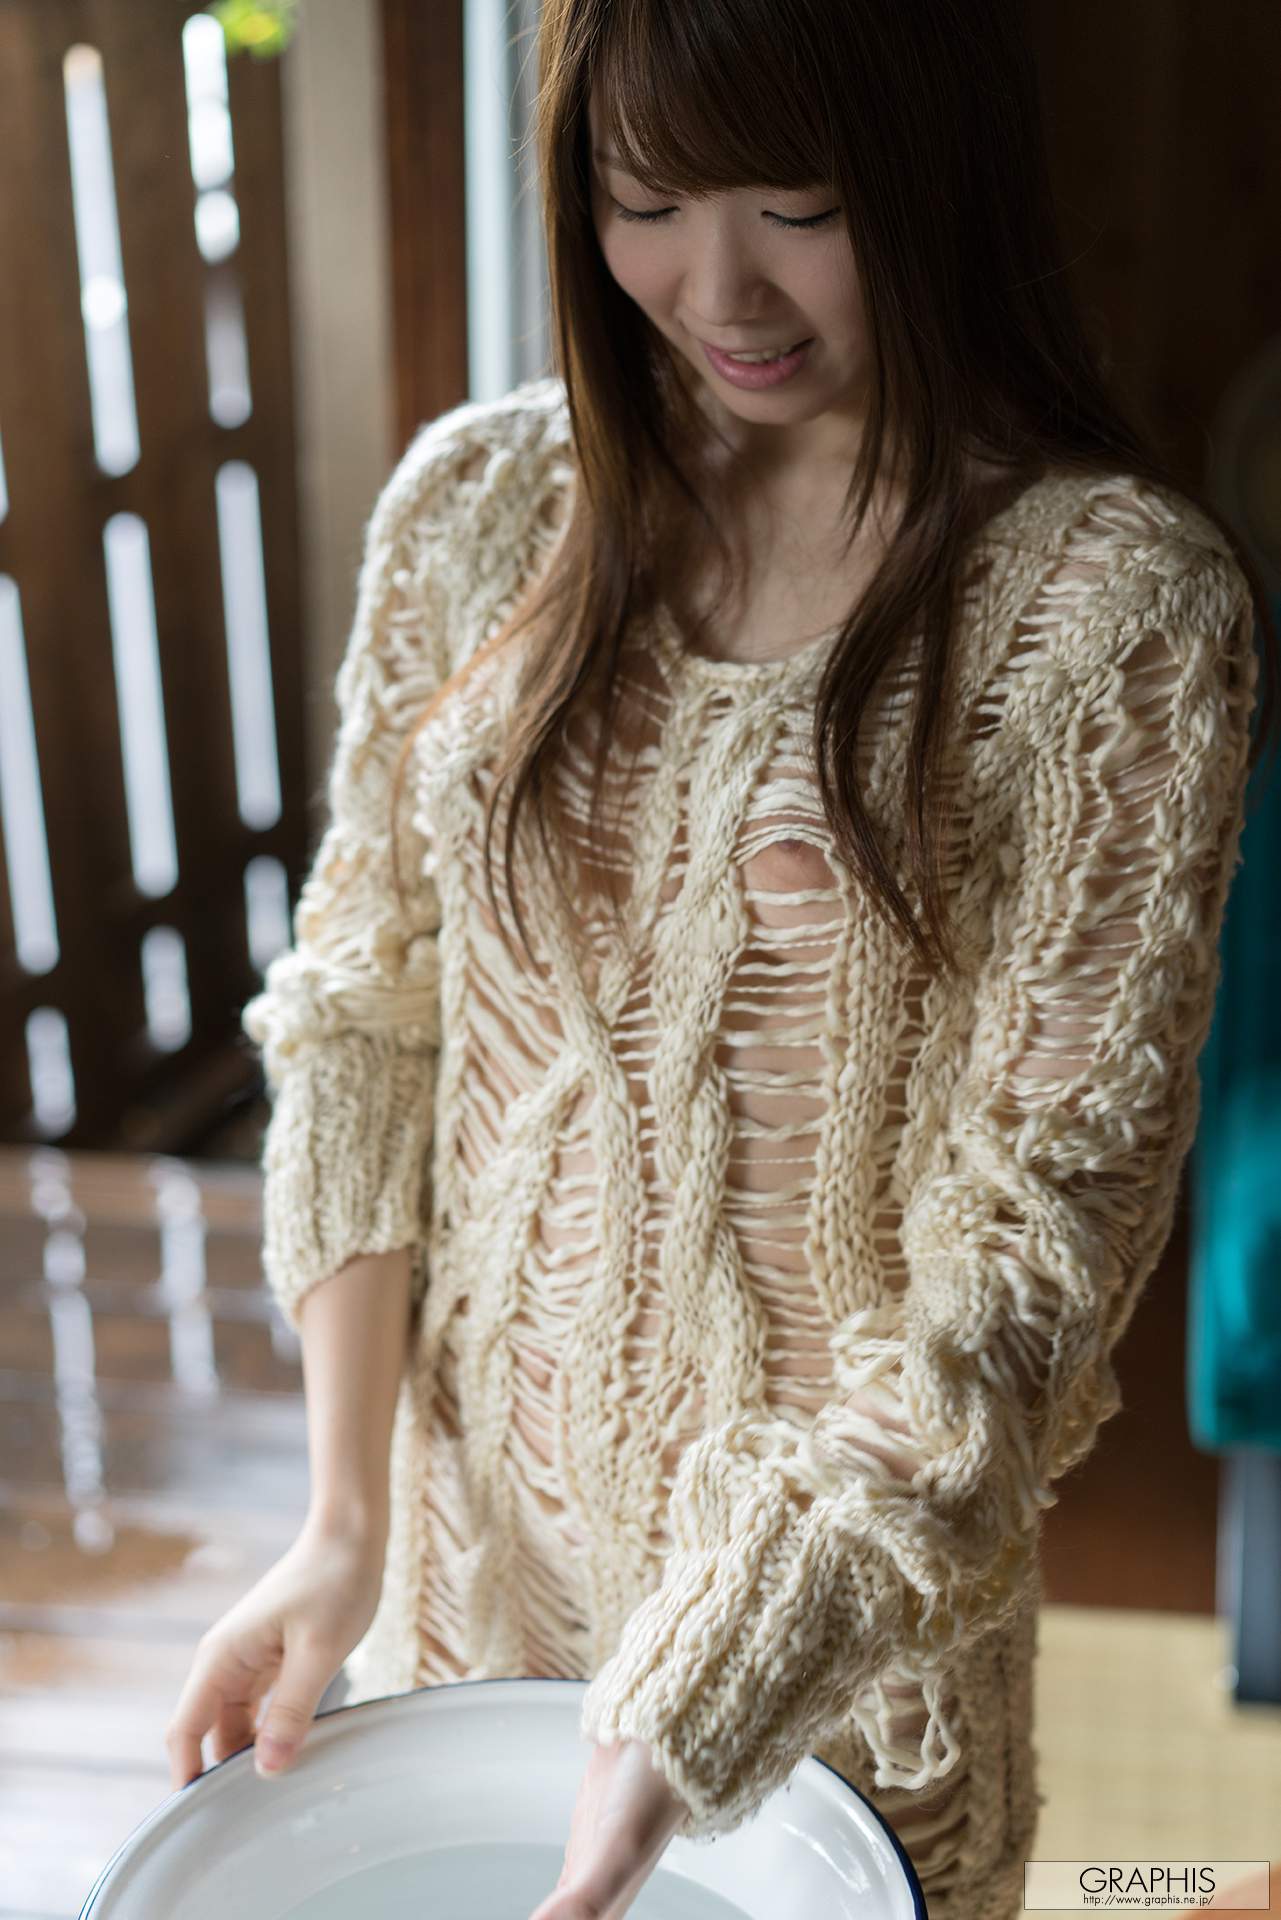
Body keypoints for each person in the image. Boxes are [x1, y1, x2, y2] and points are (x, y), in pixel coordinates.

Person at [163, 3, 1279, 1918]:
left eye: (797, 205)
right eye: (645, 202)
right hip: (465, 1579)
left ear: (932, 175)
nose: (717, 288)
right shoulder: (481, 505)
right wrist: (338, 1520)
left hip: (834, 1668)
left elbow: (1027, 1256)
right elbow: (361, 1011)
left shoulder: (1116, 610)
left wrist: (712, 1684)